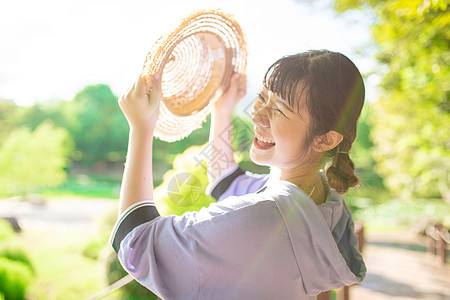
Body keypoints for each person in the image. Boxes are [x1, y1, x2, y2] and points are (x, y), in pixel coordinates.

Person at [110, 50, 366, 300]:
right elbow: (226, 181)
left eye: (278, 109)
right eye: (262, 97)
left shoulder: (263, 217)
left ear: (325, 139)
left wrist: (141, 128)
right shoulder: (322, 200)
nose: (256, 114)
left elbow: (136, 243)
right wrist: (223, 109)